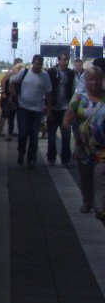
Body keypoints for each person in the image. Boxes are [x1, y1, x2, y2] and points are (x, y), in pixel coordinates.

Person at [63, 65, 105, 216]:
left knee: (101, 177)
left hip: (102, 148)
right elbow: (70, 110)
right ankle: (87, 202)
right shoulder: (79, 97)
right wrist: (66, 121)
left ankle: (100, 208)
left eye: (98, 80)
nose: (94, 83)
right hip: (83, 146)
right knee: (86, 177)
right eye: (91, 80)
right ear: (86, 81)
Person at [10, 53, 52, 168]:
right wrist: (13, 94)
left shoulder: (45, 77)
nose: (39, 66)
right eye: (37, 64)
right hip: (23, 108)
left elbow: (48, 93)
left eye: (40, 64)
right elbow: (12, 82)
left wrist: (49, 108)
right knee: (22, 132)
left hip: (37, 110)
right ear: (33, 63)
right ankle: (21, 151)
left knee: (34, 135)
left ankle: (32, 158)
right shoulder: (24, 73)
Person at [46, 50, 75, 165]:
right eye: (63, 59)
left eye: (67, 59)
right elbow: (47, 89)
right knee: (52, 135)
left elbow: (74, 89)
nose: (65, 62)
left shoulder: (71, 74)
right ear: (58, 60)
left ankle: (65, 158)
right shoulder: (52, 72)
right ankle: (51, 157)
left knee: (66, 135)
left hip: (65, 108)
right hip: (53, 108)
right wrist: (47, 106)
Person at [0, 57, 24, 138]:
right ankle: (1, 131)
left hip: (11, 96)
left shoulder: (17, 73)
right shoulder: (11, 72)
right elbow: (3, 81)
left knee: (11, 115)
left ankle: (11, 131)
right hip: (6, 96)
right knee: (5, 114)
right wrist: (3, 92)